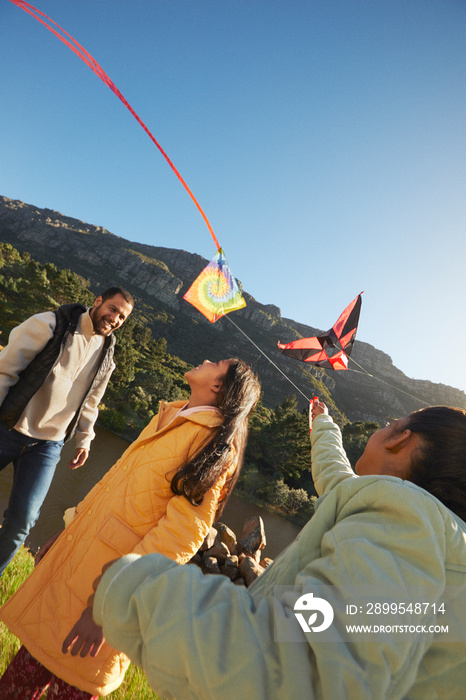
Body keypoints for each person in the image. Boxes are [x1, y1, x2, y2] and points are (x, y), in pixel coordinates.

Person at [90, 402, 465, 699]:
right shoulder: (435, 535)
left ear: (400, 440)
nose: (377, 431)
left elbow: (297, 670)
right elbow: (337, 478)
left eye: (388, 423)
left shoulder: (404, 519)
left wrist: (131, 586)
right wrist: (323, 426)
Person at [0, 358, 261, 699]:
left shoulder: (214, 447)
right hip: (79, 564)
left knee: (72, 683)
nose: (208, 360)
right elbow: (114, 484)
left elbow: (180, 536)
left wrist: (112, 605)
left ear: (217, 386)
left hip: (106, 592)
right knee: (17, 683)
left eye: (218, 364)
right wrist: (68, 528)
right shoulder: (170, 416)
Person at [0, 286, 134, 576]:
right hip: (9, 426)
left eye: (122, 317)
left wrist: (85, 439)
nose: (115, 319)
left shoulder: (107, 357)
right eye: (112, 309)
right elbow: (5, 370)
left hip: (47, 446)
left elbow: (91, 403)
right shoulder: (50, 324)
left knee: (23, 521)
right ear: (97, 302)